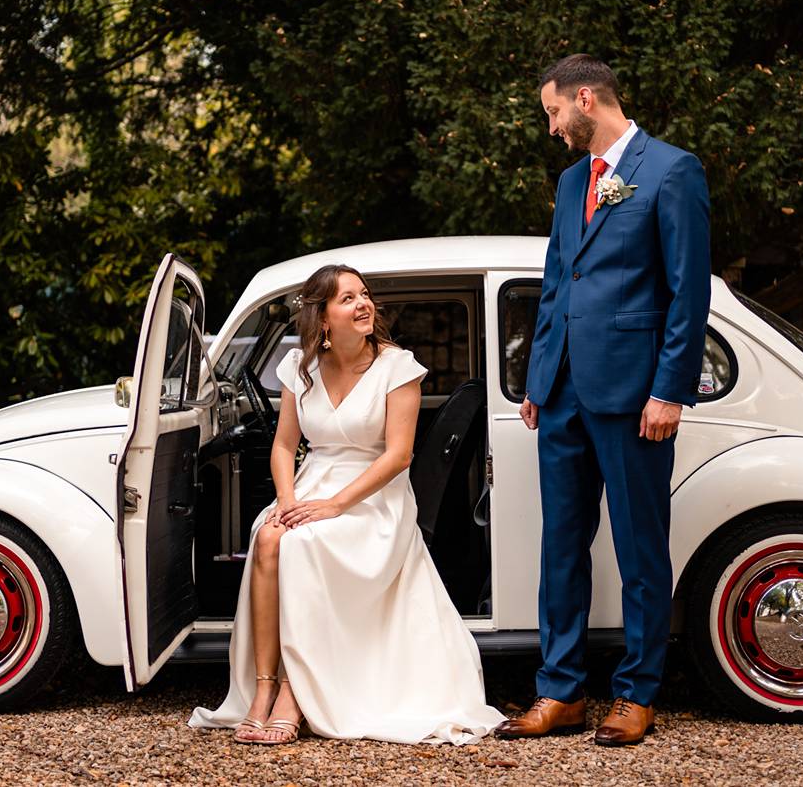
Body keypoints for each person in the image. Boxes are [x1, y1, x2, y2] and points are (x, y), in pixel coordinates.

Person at [189, 264, 503, 745]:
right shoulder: (300, 367)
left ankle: (293, 693)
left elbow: (399, 455)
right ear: (323, 316)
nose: (363, 305)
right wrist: (288, 500)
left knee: (302, 544)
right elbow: (281, 446)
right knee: (267, 535)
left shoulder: (398, 366)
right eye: (348, 298)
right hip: (312, 481)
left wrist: (334, 506)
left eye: (365, 295)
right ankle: (261, 690)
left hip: (374, 496)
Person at [494, 54, 711, 747]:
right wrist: (537, 379)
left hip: (632, 397)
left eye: (555, 112)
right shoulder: (569, 183)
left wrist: (668, 390)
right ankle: (561, 692)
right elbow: (556, 281)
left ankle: (637, 692)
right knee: (561, 546)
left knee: (640, 547)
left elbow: (688, 292)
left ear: (586, 98)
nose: (553, 128)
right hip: (563, 398)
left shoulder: (672, 171)